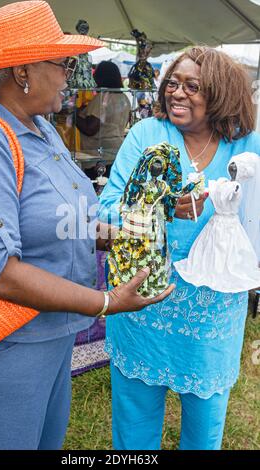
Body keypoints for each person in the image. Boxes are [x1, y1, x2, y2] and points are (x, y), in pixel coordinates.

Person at [0, 1, 174, 450]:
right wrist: (105, 301)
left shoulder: (42, 128)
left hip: (53, 334)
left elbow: (62, 219)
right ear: (23, 72)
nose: (73, 74)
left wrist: (121, 235)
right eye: (63, 63)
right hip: (10, 346)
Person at [99, 46, 260, 450]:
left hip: (212, 313)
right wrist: (164, 208)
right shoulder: (147, 135)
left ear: (221, 93)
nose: (177, 93)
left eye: (192, 86)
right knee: (135, 421)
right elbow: (107, 208)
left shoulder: (247, 146)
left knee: (204, 428)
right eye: (172, 83)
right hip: (144, 301)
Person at [76, 61, 131, 164]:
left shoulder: (102, 98)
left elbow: (91, 128)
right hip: (116, 151)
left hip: (99, 156)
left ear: (101, 77)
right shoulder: (124, 98)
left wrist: (73, 114)